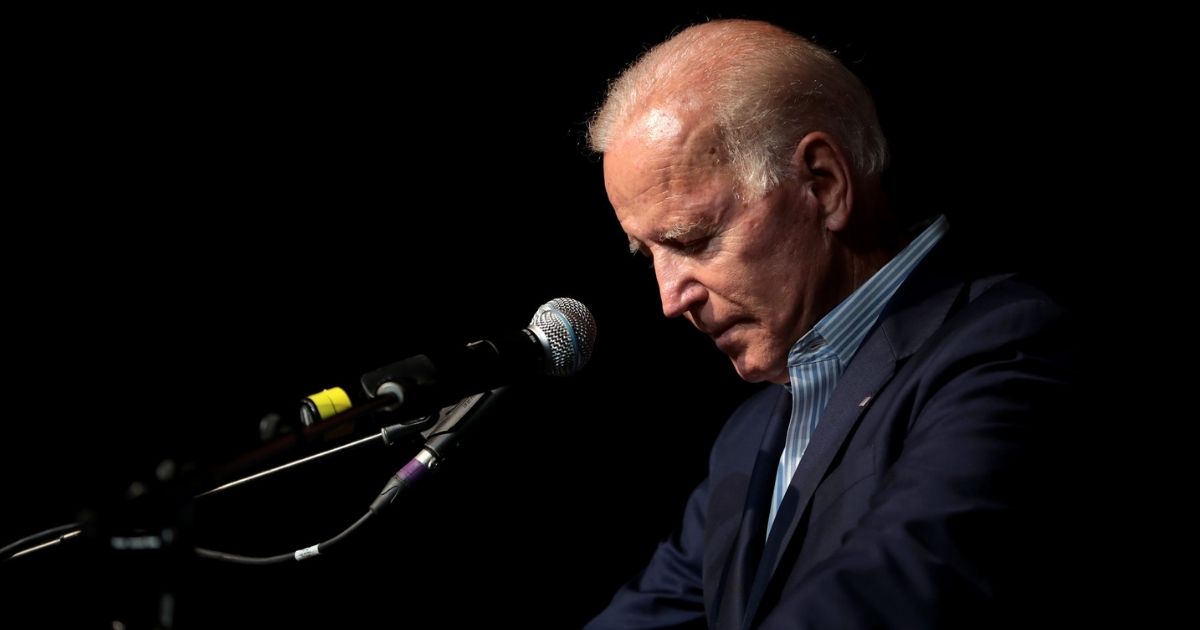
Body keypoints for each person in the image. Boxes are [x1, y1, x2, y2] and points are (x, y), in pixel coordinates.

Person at [583, 19, 1075, 629]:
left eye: (694, 239)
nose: (669, 298)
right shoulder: (748, 434)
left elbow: (900, 588)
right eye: (648, 253)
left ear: (824, 184)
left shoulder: (1008, 345)